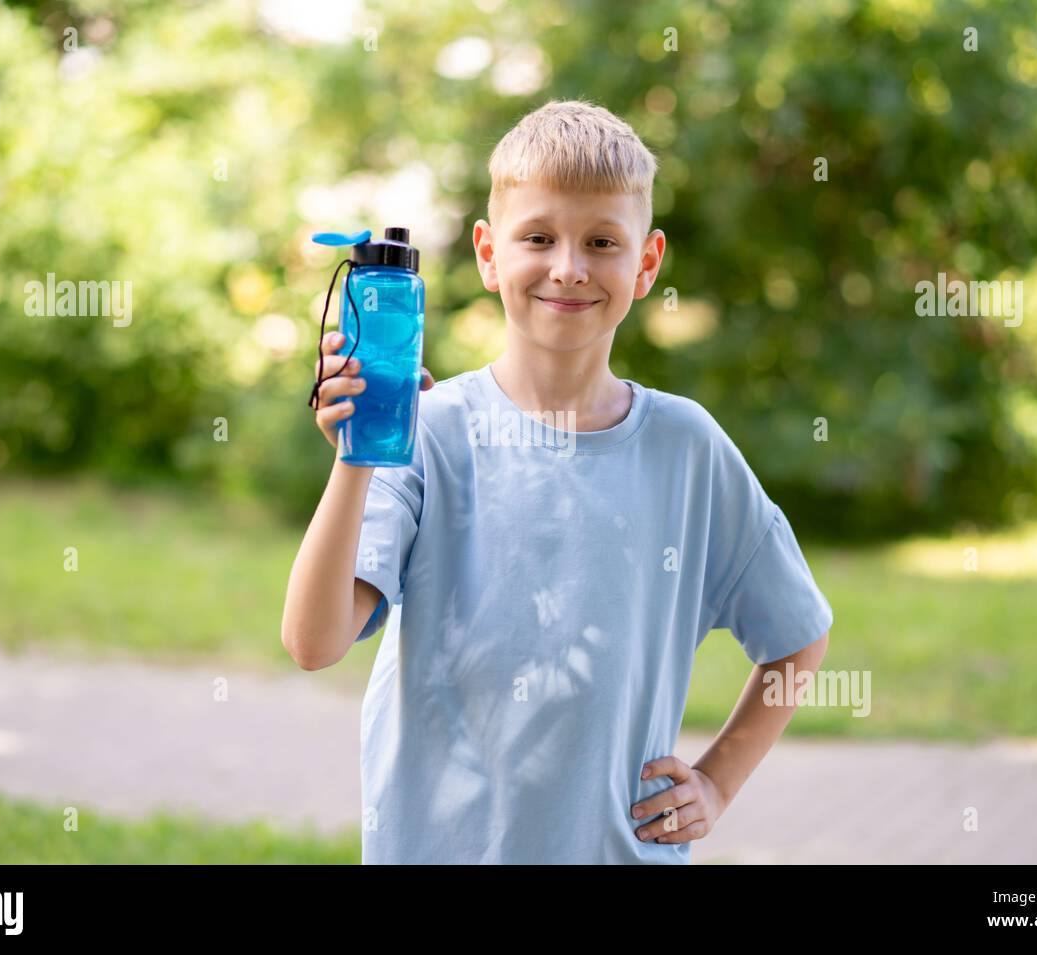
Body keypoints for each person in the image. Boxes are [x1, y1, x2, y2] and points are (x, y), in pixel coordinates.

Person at [281, 99, 833, 864]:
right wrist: (355, 457)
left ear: (646, 264)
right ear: (487, 252)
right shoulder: (427, 434)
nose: (569, 266)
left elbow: (799, 636)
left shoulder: (688, 449)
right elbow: (313, 642)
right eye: (538, 237)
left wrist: (716, 781)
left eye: (601, 241)